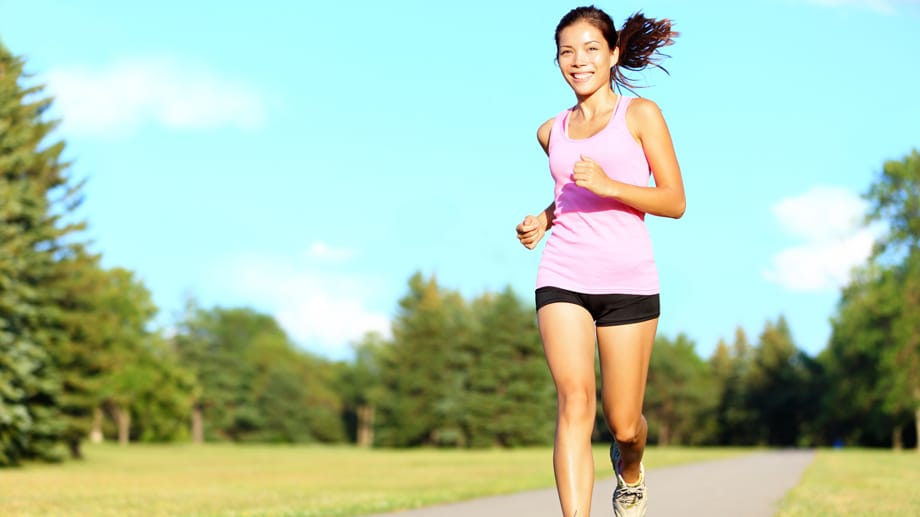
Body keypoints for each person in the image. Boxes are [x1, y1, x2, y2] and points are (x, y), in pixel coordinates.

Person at [515, 6, 684, 517]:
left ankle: (629, 469)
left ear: (612, 54)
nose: (578, 60)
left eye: (590, 48)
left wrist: (611, 186)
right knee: (574, 401)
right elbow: (569, 194)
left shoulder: (641, 115)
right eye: (567, 51)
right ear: (557, 62)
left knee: (624, 423)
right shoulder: (551, 131)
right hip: (562, 275)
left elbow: (674, 201)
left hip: (628, 282)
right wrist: (544, 219)